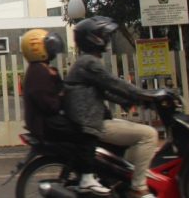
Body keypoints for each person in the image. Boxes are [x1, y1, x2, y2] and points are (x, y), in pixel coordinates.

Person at [64, 16, 159, 198]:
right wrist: (146, 95)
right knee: (149, 134)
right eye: (104, 35)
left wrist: (132, 100)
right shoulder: (89, 62)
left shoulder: (86, 62)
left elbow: (106, 90)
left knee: (134, 134)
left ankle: (122, 178)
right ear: (95, 39)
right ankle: (138, 188)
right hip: (93, 123)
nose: (107, 39)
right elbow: (113, 83)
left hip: (92, 120)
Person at [21, 28, 109, 195]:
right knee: (86, 132)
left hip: (48, 120)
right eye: (48, 46)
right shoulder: (38, 72)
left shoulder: (42, 69)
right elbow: (49, 103)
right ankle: (87, 177)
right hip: (47, 123)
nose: (52, 50)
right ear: (37, 49)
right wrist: (61, 98)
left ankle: (87, 172)